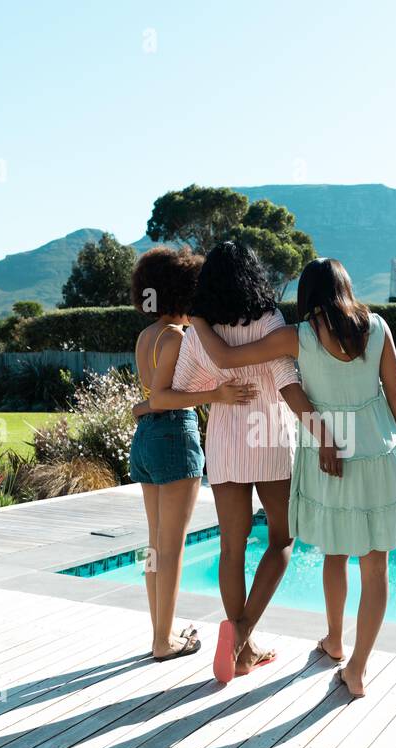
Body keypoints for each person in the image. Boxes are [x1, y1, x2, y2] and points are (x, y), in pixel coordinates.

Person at [187, 257, 396, 697]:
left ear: (307, 297)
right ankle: (357, 668)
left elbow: (228, 356)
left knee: (336, 552)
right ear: (346, 288)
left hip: (333, 455)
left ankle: (332, 641)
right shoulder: (378, 327)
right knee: (376, 568)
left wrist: (197, 319)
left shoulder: (298, 338)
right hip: (383, 453)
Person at [149, 241, 323, 683]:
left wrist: (216, 390)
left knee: (231, 546)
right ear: (254, 275)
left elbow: (172, 393)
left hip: (225, 444)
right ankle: (242, 637)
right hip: (269, 440)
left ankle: (242, 646)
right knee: (282, 539)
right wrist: (327, 435)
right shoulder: (270, 322)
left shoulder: (201, 333)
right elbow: (288, 385)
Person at [128, 246, 256, 661]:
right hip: (173, 438)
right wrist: (216, 393)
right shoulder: (176, 337)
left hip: (146, 438)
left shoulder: (146, 335)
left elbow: (151, 397)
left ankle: (159, 632)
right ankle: (164, 641)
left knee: (154, 546)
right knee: (173, 546)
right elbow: (166, 396)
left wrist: (146, 406)